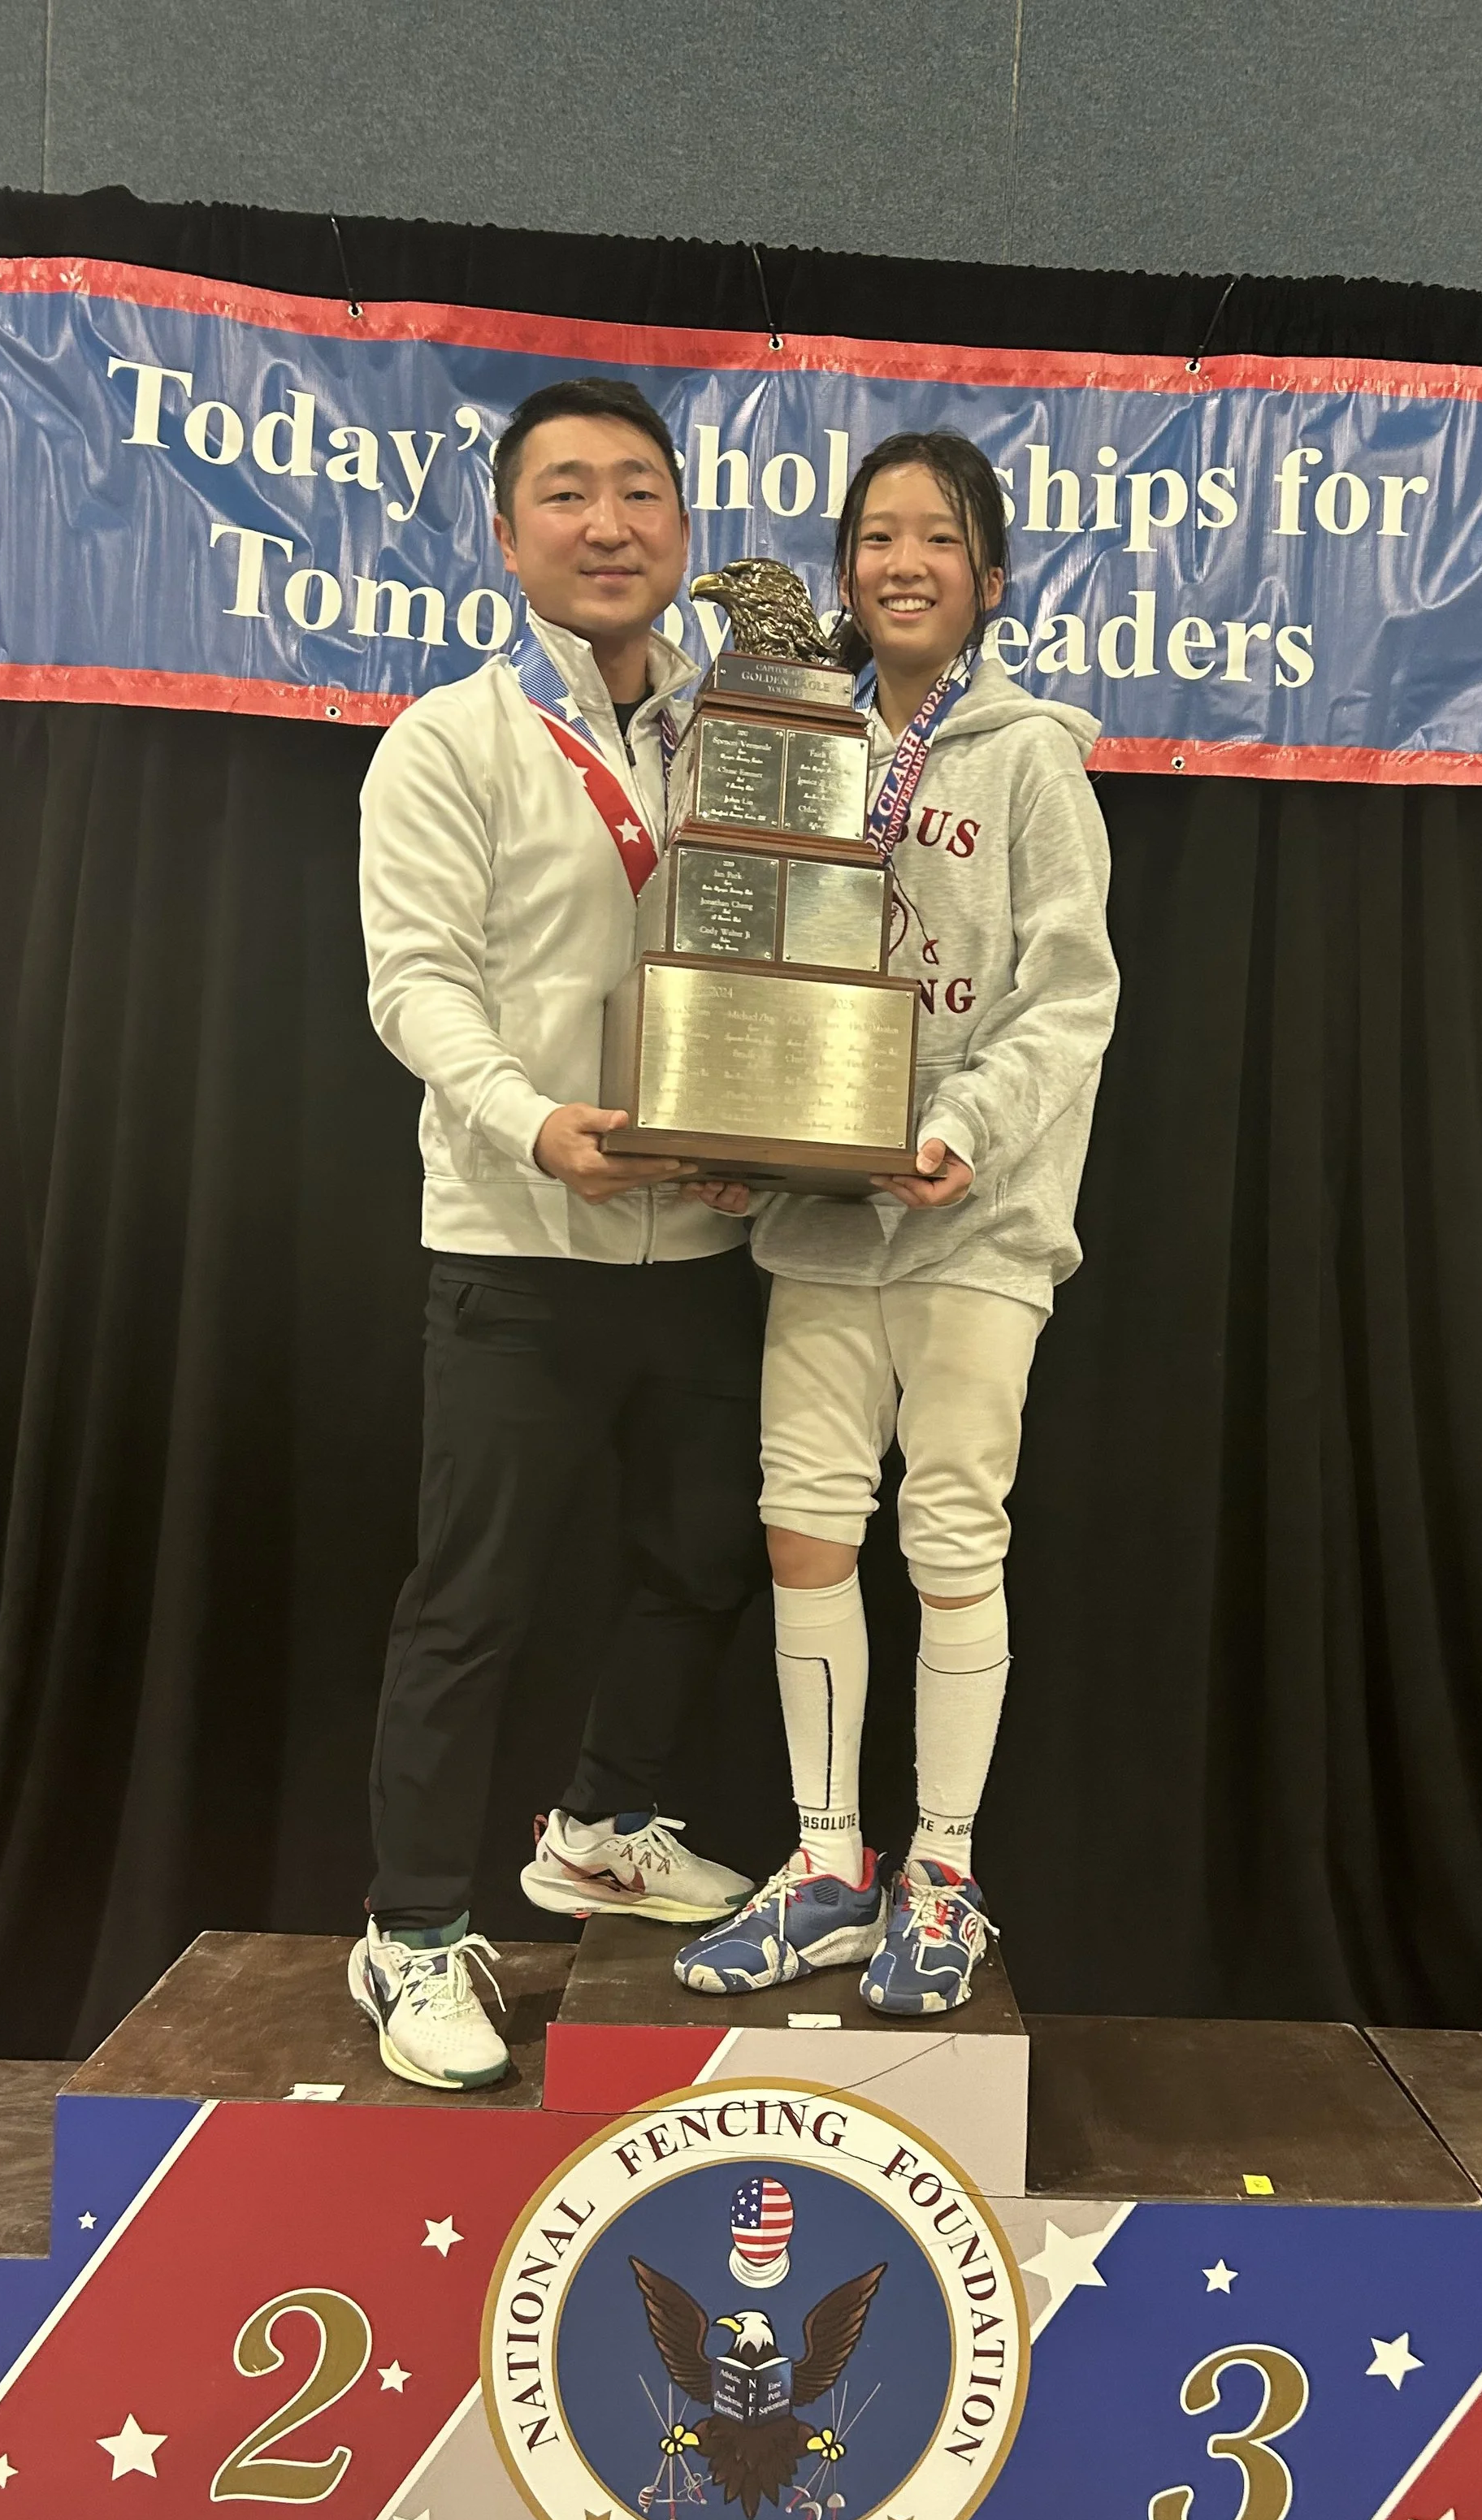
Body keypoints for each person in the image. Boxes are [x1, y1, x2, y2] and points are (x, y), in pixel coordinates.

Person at [350, 378, 762, 2090]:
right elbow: (414, 984)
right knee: (475, 1601)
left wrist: (774, 1130)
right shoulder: (449, 739)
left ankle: (598, 1824)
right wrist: (537, 1125)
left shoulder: (746, 734)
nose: (609, 525)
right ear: (508, 535)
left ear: (681, 526)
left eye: (640, 493)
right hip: (520, 1245)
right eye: (569, 495)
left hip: (709, 1248)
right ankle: (413, 1930)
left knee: (698, 1558)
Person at [675, 430, 1117, 2012]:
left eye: (936, 536)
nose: (900, 560)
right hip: (816, 1222)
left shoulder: (1023, 760)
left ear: (987, 580)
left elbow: (1071, 997)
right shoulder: (793, 735)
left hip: (972, 1223)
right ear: (846, 568)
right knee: (802, 1518)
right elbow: (744, 944)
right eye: (874, 535)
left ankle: (940, 1866)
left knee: (946, 1535)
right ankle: (820, 1865)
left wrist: (961, 1125)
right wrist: (728, 1119)